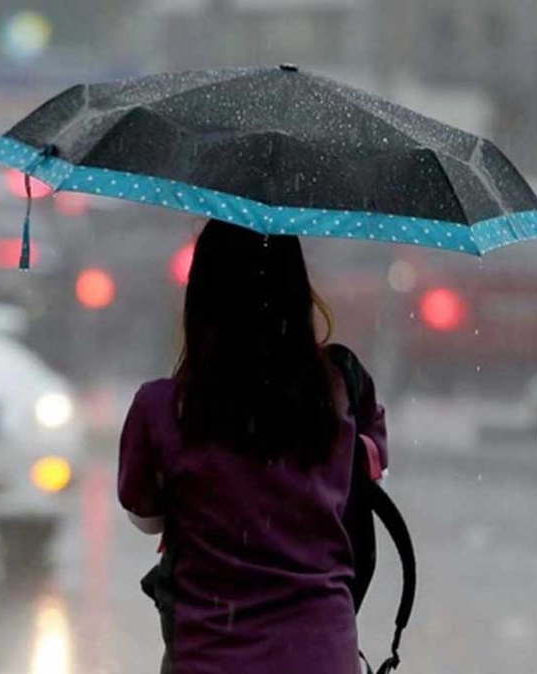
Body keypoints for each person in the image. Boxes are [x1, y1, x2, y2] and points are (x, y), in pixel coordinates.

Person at [118, 219, 388, 674]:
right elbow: (364, 485)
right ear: (297, 291)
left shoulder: (163, 407)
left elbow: (145, 516)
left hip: (210, 658)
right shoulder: (338, 391)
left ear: (201, 297)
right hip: (321, 654)